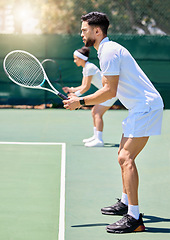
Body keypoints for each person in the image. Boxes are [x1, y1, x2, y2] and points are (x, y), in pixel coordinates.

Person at [63, 12, 164, 234]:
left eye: (84, 30)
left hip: (145, 107)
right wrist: (81, 99)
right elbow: (109, 92)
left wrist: (80, 101)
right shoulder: (107, 50)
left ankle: (134, 218)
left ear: (97, 31)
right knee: (122, 155)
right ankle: (126, 203)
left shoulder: (108, 52)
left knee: (125, 158)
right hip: (139, 107)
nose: (81, 33)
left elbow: (110, 91)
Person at [62, 46, 117, 147]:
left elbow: (86, 88)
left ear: (82, 58)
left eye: (76, 58)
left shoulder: (89, 68)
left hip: (109, 93)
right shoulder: (86, 68)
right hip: (106, 92)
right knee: (94, 112)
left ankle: (99, 140)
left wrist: (76, 96)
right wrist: (71, 90)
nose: (74, 61)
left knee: (97, 113)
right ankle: (96, 136)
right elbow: (83, 86)